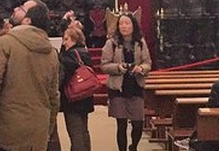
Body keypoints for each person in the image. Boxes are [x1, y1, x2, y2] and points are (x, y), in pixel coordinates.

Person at [0, 0, 60, 151]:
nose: (16, 8)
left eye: (22, 8)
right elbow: (54, 97)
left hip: (6, 131)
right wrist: (47, 129)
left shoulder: (6, 43)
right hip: (37, 134)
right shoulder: (51, 52)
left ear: (27, 20)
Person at [102, 12, 151, 151]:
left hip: (136, 85)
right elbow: (104, 65)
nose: (124, 26)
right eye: (121, 23)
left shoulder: (140, 43)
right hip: (118, 88)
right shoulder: (111, 43)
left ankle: (133, 146)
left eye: (127, 23)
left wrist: (141, 68)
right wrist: (118, 67)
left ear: (133, 25)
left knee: (138, 124)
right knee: (121, 124)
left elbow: (148, 62)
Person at [59, 25, 94, 151]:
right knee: (84, 130)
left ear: (74, 39)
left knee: (75, 132)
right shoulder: (85, 53)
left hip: (72, 97)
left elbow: (61, 77)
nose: (64, 42)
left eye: (66, 39)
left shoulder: (68, 56)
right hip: (85, 94)